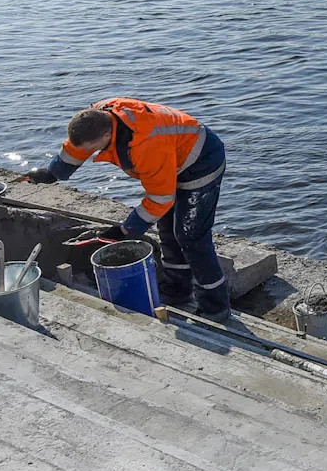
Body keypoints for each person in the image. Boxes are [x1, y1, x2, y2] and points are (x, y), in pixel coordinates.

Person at [19, 98, 230, 318]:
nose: (89, 154)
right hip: (170, 156)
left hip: (200, 162)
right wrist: (53, 173)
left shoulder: (144, 145)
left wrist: (124, 231)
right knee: (167, 230)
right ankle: (177, 291)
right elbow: (79, 146)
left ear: (107, 137)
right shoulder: (97, 118)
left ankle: (216, 307)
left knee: (190, 236)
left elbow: (160, 198)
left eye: (93, 149)